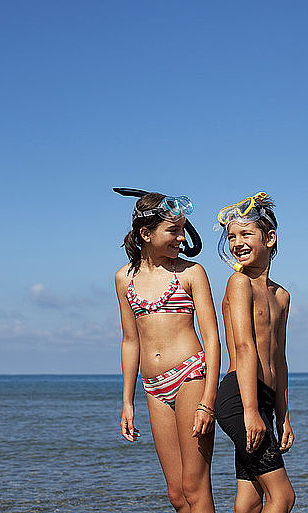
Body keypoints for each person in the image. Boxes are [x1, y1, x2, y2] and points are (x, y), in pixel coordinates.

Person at [115, 192, 220, 513]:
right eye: (172, 231)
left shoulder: (191, 273)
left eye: (183, 229)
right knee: (176, 494)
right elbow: (130, 341)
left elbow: (213, 339)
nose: (180, 238)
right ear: (146, 234)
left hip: (191, 377)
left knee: (195, 486)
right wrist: (127, 402)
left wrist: (207, 401)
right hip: (153, 388)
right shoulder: (124, 279)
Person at [214, 192, 295, 513]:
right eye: (232, 236)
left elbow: (279, 360)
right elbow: (245, 346)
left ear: (270, 238)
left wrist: (283, 416)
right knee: (283, 496)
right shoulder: (239, 283)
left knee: (249, 501)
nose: (237, 242)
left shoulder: (282, 296)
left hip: (263, 400)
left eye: (246, 234)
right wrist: (250, 411)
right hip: (239, 397)